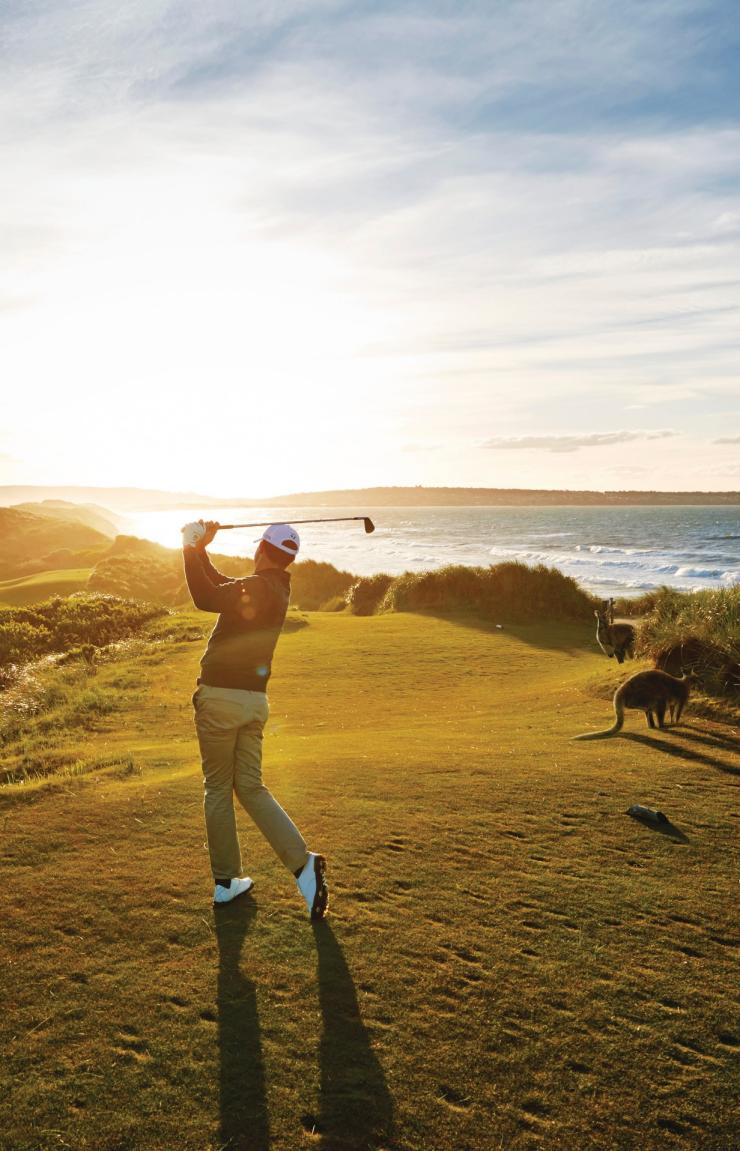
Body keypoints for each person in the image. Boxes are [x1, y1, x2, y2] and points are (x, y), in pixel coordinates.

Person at [181, 518, 328, 918]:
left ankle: (227, 881)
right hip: (253, 703)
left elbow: (205, 596)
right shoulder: (275, 588)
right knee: (249, 786)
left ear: (261, 549)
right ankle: (304, 866)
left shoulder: (257, 587)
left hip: (220, 699)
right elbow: (222, 585)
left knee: (217, 788)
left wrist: (189, 545)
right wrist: (201, 550)